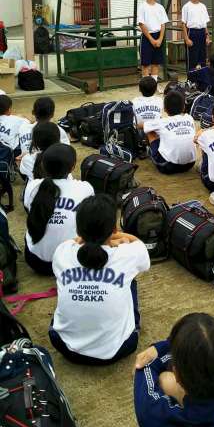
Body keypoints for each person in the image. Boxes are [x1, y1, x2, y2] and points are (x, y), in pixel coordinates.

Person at [49, 194, 150, 365]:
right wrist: (116, 238)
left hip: (65, 346)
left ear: (78, 230)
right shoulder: (129, 254)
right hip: (117, 349)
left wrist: (94, 239)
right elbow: (138, 244)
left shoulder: (62, 251)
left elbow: (75, 241)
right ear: (114, 228)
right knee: (131, 279)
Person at [23, 144, 94, 275]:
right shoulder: (85, 188)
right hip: (69, 263)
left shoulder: (32, 186)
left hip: (35, 261)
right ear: (73, 167)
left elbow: (28, 209)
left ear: (43, 165)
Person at [143, 90, 196, 174]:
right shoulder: (189, 118)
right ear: (183, 107)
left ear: (165, 109)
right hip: (190, 164)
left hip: (168, 166)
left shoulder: (162, 122)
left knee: (150, 132)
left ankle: (150, 152)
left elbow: (144, 126)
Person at [138, 0, 169, 80]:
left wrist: (160, 39)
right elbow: (141, 24)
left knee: (156, 63)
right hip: (147, 37)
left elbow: (163, 24)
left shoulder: (160, 7)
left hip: (158, 36)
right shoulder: (142, 7)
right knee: (145, 64)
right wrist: (151, 39)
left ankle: (154, 85)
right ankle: (146, 86)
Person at [182, 0, 210, 70]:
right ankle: (191, 77)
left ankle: (202, 77)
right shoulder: (186, 6)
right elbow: (183, 24)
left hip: (202, 33)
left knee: (202, 58)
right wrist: (186, 39)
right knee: (192, 58)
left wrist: (207, 36)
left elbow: (205, 23)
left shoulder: (203, 6)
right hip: (191, 33)